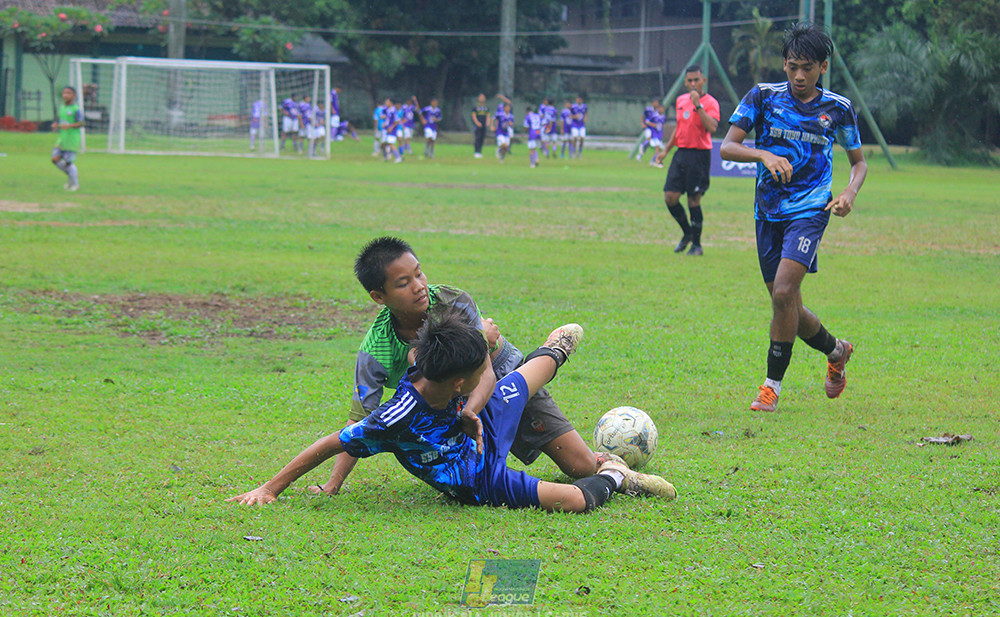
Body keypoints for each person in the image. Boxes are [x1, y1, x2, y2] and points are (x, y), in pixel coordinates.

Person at [228, 310, 677, 512]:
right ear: (460, 383)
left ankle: (554, 349)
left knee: (522, 379)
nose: (486, 371)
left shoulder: (430, 366)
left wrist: (473, 398)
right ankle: (616, 475)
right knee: (575, 500)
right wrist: (270, 487)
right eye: (481, 368)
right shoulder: (395, 419)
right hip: (477, 479)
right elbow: (333, 442)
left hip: (476, 425)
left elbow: (453, 362)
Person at [314, 237, 605, 496]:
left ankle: (552, 350)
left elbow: (485, 371)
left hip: (497, 371)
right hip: (453, 396)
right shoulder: (376, 349)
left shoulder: (453, 301)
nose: (419, 286)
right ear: (379, 297)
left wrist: (471, 411)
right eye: (403, 283)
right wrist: (333, 484)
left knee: (581, 466)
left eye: (419, 273)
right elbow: (359, 421)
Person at [719, 23, 867, 413]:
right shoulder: (763, 97)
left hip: (811, 209)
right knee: (787, 305)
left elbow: (859, 163)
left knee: (784, 293)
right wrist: (763, 154)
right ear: (784, 63)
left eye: (807, 68)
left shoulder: (838, 108)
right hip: (768, 211)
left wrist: (849, 193)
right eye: (792, 66)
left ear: (823, 67)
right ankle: (837, 350)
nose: (799, 76)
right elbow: (728, 147)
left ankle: (770, 388)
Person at [654, 66, 720, 257]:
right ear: (685, 82)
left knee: (693, 199)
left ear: (703, 80)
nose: (693, 84)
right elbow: (680, 127)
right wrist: (666, 150)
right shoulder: (681, 100)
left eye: (696, 80)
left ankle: (697, 246)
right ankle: (687, 233)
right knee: (670, 197)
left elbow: (712, 127)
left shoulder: (711, 103)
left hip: (699, 155)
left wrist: (698, 106)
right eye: (689, 80)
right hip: (681, 153)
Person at [51, 86, 83, 192]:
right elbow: (59, 121)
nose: (65, 95)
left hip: (72, 139)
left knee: (68, 162)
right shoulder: (62, 108)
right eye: (64, 93)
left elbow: (81, 123)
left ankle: (75, 184)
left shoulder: (75, 109)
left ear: (74, 96)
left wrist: (70, 126)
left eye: (68, 93)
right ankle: (72, 175)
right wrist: (55, 125)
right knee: (54, 159)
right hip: (62, 139)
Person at [471, 93, 490, 158]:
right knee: (477, 138)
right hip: (478, 125)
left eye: (483, 97)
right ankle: (476, 152)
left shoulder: (486, 108)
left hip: (484, 125)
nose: (482, 99)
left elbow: (488, 115)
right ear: (478, 98)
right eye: (481, 97)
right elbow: (474, 116)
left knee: (482, 138)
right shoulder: (475, 107)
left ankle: (480, 151)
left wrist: (487, 122)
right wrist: (477, 123)